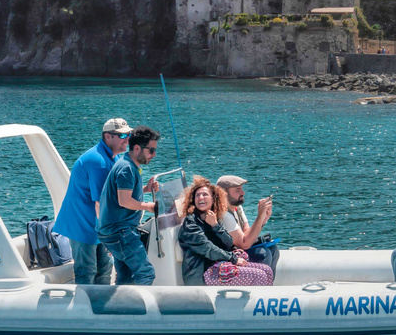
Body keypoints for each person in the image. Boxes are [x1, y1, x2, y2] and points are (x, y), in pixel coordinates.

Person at [54, 117, 131, 285]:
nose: (127, 140)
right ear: (108, 136)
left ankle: (101, 308)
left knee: (104, 270)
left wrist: (145, 190)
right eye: (123, 136)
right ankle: (83, 309)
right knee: (87, 271)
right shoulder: (99, 162)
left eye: (128, 135)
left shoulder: (114, 158)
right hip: (82, 224)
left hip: (97, 223)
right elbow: (101, 203)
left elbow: (117, 193)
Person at [96, 125, 161, 285]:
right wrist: (149, 206)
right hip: (120, 232)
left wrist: (145, 189)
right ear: (137, 148)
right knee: (146, 273)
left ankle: (120, 308)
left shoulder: (128, 164)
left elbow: (125, 194)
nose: (154, 154)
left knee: (125, 276)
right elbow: (124, 201)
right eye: (151, 150)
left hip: (114, 230)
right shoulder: (126, 169)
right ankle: (138, 309)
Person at [177, 178, 273, 286]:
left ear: (214, 199)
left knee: (267, 270)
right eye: (197, 195)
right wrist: (234, 259)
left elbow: (228, 242)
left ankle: (261, 301)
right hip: (204, 274)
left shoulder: (213, 218)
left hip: (219, 265)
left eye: (205, 195)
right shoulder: (191, 223)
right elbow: (208, 249)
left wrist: (215, 226)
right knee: (259, 275)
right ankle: (255, 302)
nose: (200, 198)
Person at [215, 174, 276, 269]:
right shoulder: (224, 214)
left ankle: (267, 282)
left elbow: (246, 233)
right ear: (223, 193)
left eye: (242, 189)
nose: (243, 193)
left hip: (239, 251)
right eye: (237, 190)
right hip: (228, 258)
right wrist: (259, 217)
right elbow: (245, 243)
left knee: (273, 249)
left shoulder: (237, 208)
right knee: (263, 253)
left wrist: (263, 220)